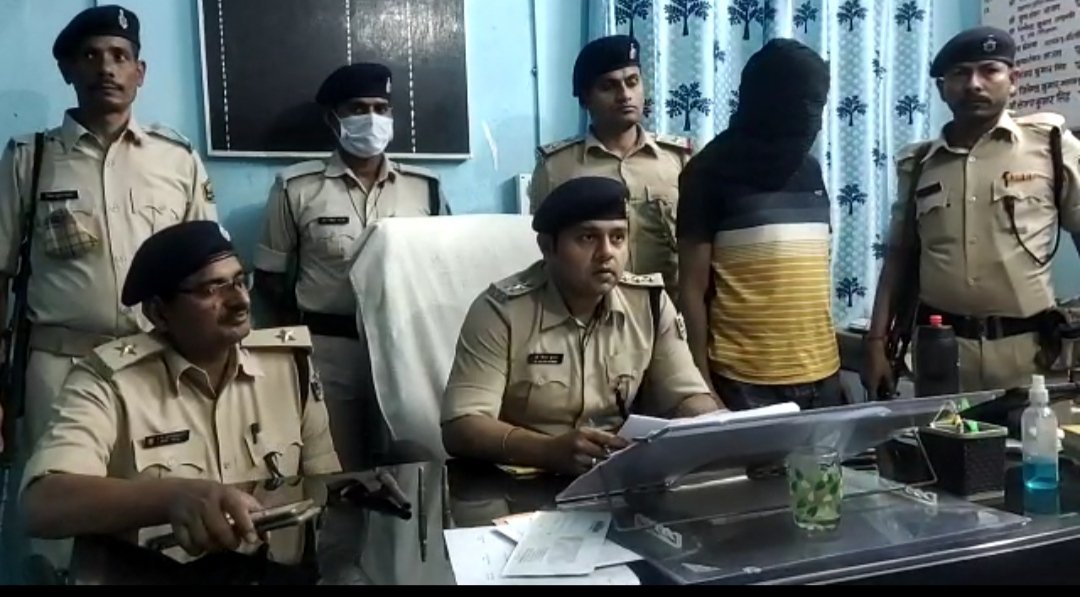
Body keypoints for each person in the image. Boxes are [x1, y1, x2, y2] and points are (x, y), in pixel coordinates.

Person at [20, 221, 341, 559]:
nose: (240, 301)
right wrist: (171, 498)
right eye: (211, 289)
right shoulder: (109, 383)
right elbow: (41, 505)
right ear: (159, 312)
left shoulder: (289, 366)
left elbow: (324, 485)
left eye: (239, 281)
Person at [0, 4, 218, 453]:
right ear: (67, 71)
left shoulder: (177, 160)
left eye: (120, 56)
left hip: (157, 360)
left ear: (140, 72)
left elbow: (208, 273)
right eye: (90, 55)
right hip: (60, 367)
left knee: (159, 486)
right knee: (60, 487)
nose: (106, 68)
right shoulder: (29, 159)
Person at [441, 177, 718, 476]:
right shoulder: (501, 312)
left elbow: (685, 396)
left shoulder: (649, 303)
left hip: (618, 474)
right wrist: (547, 451)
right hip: (523, 479)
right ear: (548, 247)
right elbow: (462, 425)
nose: (607, 253)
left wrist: (716, 425)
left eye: (618, 237)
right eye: (588, 238)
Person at [863, 26, 1080, 396]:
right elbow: (899, 258)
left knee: (1036, 435)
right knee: (939, 434)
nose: (974, 84)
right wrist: (875, 342)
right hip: (941, 352)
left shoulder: (1053, 145)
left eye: (989, 70)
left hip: (1032, 355)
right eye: (960, 73)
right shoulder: (919, 164)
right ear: (941, 88)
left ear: (1013, 80)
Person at [254, 62, 449, 469]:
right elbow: (270, 278)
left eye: (381, 108)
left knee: (413, 464)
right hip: (330, 351)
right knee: (336, 469)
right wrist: (297, 348)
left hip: (406, 347)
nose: (372, 118)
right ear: (333, 119)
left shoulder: (425, 188)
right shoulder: (296, 188)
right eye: (358, 109)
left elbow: (442, 267)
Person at [677, 39, 842, 411]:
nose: (811, 116)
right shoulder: (708, 172)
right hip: (743, 383)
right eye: (799, 103)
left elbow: (808, 277)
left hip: (823, 378)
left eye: (818, 104)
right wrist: (701, 383)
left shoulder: (810, 170)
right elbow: (691, 289)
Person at [528, 35, 692, 298]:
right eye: (608, 86)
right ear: (585, 98)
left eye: (632, 82)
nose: (625, 95)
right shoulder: (556, 168)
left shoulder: (679, 160)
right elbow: (547, 252)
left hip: (667, 307)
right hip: (593, 312)